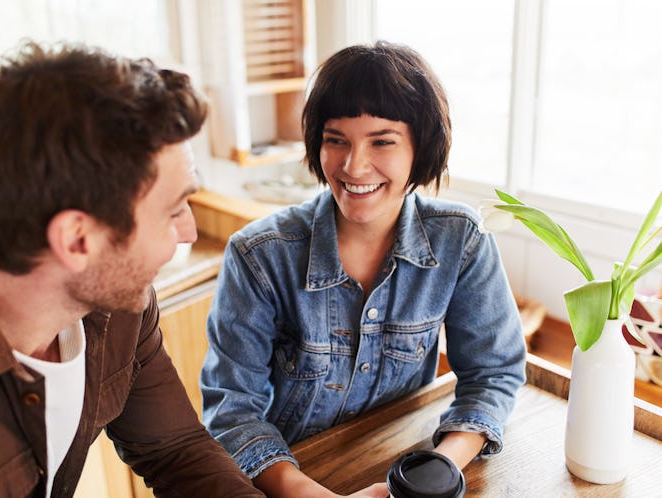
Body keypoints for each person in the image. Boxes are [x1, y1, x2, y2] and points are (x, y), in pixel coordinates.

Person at [0, 41, 263, 497]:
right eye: (174, 209)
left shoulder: (116, 298)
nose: (189, 233)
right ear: (78, 240)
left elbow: (175, 450)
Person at [200, 40, 526, 497]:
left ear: (422, 147)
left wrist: (432, 473)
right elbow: (232, 411)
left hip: (402, 463)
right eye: (336, 140)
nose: (353, 165)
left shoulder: (462, 239)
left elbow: (495, 373)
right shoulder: (258, 255)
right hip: (286, 475)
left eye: (382, 141)